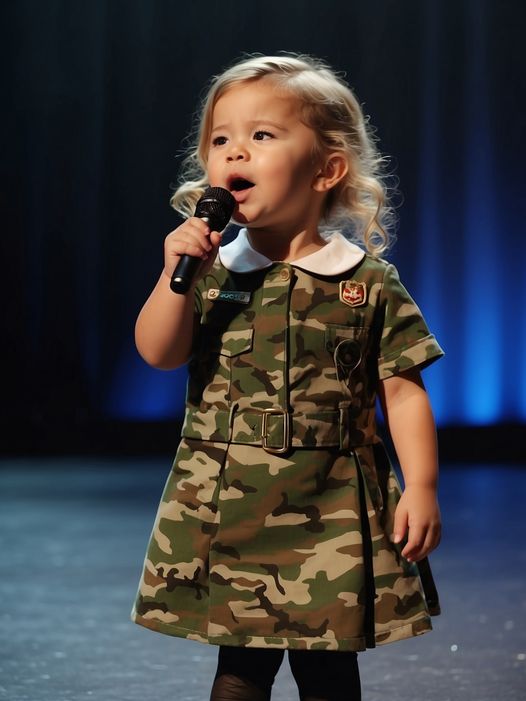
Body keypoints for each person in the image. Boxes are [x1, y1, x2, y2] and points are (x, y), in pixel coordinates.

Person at [131, 54, 443, 701]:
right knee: (241, 667)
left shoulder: (366, 280)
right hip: (231, 494)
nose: (233, 151)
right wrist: (172, 275)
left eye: (261, 135)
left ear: (327, 169)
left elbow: (402, 388)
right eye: (221, 139)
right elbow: (159, 352)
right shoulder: (211, 270)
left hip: (329, 499)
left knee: (329, 664)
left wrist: (422, 484)